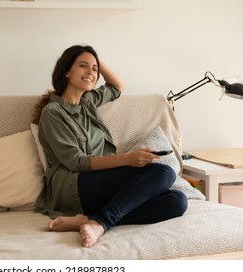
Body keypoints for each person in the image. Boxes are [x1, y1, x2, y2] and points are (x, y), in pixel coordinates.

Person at [32, 45, 188, 248]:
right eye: (83, 66)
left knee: (177, 201)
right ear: (66, 71)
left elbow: (117, 86)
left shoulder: (87, 102)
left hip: (99, 181)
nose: (90, 72)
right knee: (164, 172)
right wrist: (128, 159)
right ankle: (101, 223)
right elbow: (76, 161)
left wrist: (94, 58)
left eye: (95, 69)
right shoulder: (54, 112)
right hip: (72, 185)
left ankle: (92, 220)